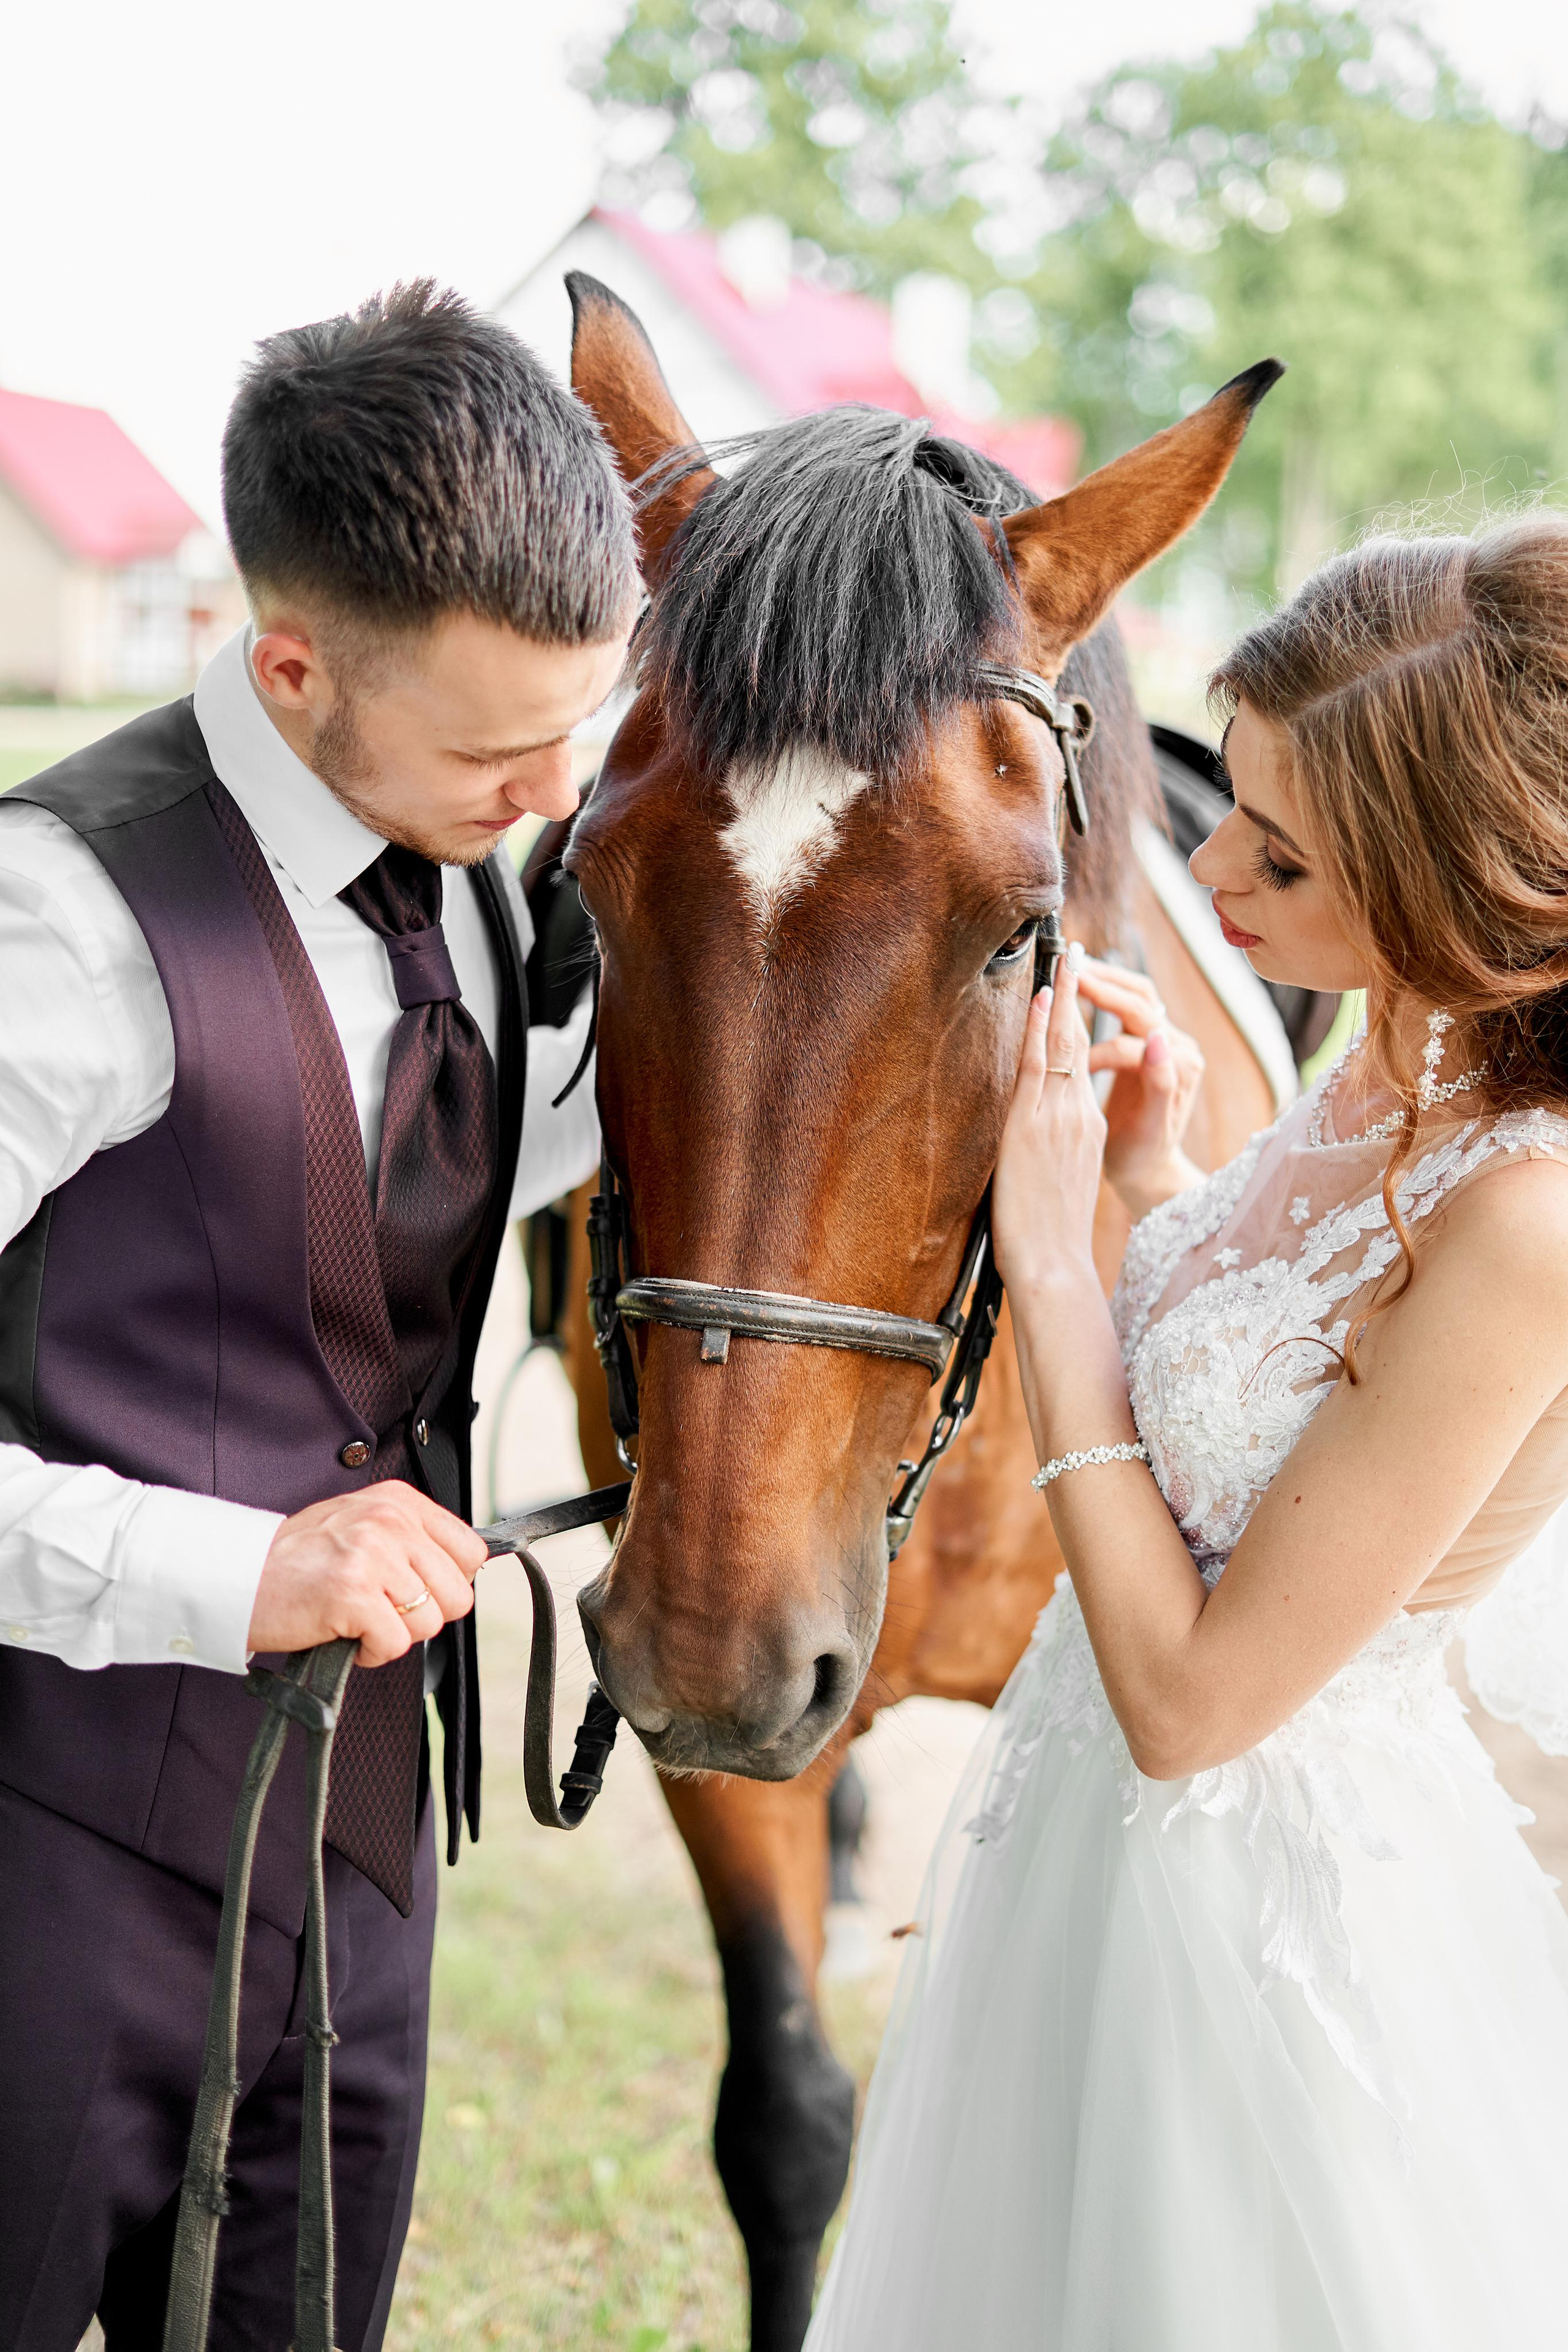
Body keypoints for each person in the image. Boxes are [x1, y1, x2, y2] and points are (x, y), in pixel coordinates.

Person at [805, 516, 1568, 2351]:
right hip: (1087, 1856)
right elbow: (1295, 1400)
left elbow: (1196, 1704)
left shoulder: (1529, 1220)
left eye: (1282, 857)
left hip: (1267, 1926)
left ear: (1457, 891)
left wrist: (1058, 1268)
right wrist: (1169, 1186)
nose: (1207, 860)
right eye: (1236, 798)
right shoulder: (1390, 1058)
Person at [0, 282, 636, 2350]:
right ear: (290, 664)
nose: (549, 789)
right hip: (50, 1840)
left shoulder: (467, 861)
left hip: (362, 1855)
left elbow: (426, 1160)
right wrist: (239, 1567)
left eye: (579, 723)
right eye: (496, 745)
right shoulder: (60, 925)